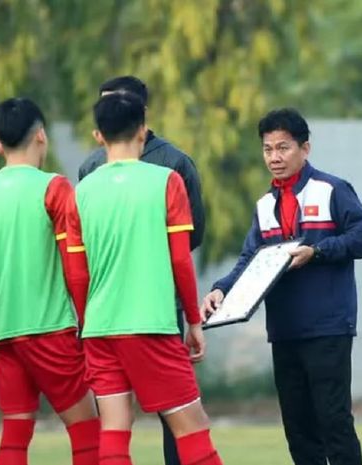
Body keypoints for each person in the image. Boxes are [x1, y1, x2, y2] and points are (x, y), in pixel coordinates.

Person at [201, 108, 362, 465]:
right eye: (268, 149)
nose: (274, 157)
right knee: (298, 429)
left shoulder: (331, 189)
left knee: (334, 422)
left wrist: (317, 251)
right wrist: (222, 288)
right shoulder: (265, 205)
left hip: (328, 327)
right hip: (284, 331)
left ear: (305, 148)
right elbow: (251, 257)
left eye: (283, 148)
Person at [67, 92, 222, 465]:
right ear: (143, 129)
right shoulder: (166, 181)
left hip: (101, 328)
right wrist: (194, 322)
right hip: (151, 324)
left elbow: (76, 271)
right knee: (192, 427)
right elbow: (181, 261)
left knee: (115, 429)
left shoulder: (81, 191)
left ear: (98, 135)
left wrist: (89, 323)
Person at [0, 97, 100, 465]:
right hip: (50, 329)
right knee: (88, 430)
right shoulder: (54, 189)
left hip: (3, 333)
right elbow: (75, 267)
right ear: (42, 136)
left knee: (16, 431)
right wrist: (88, 324)